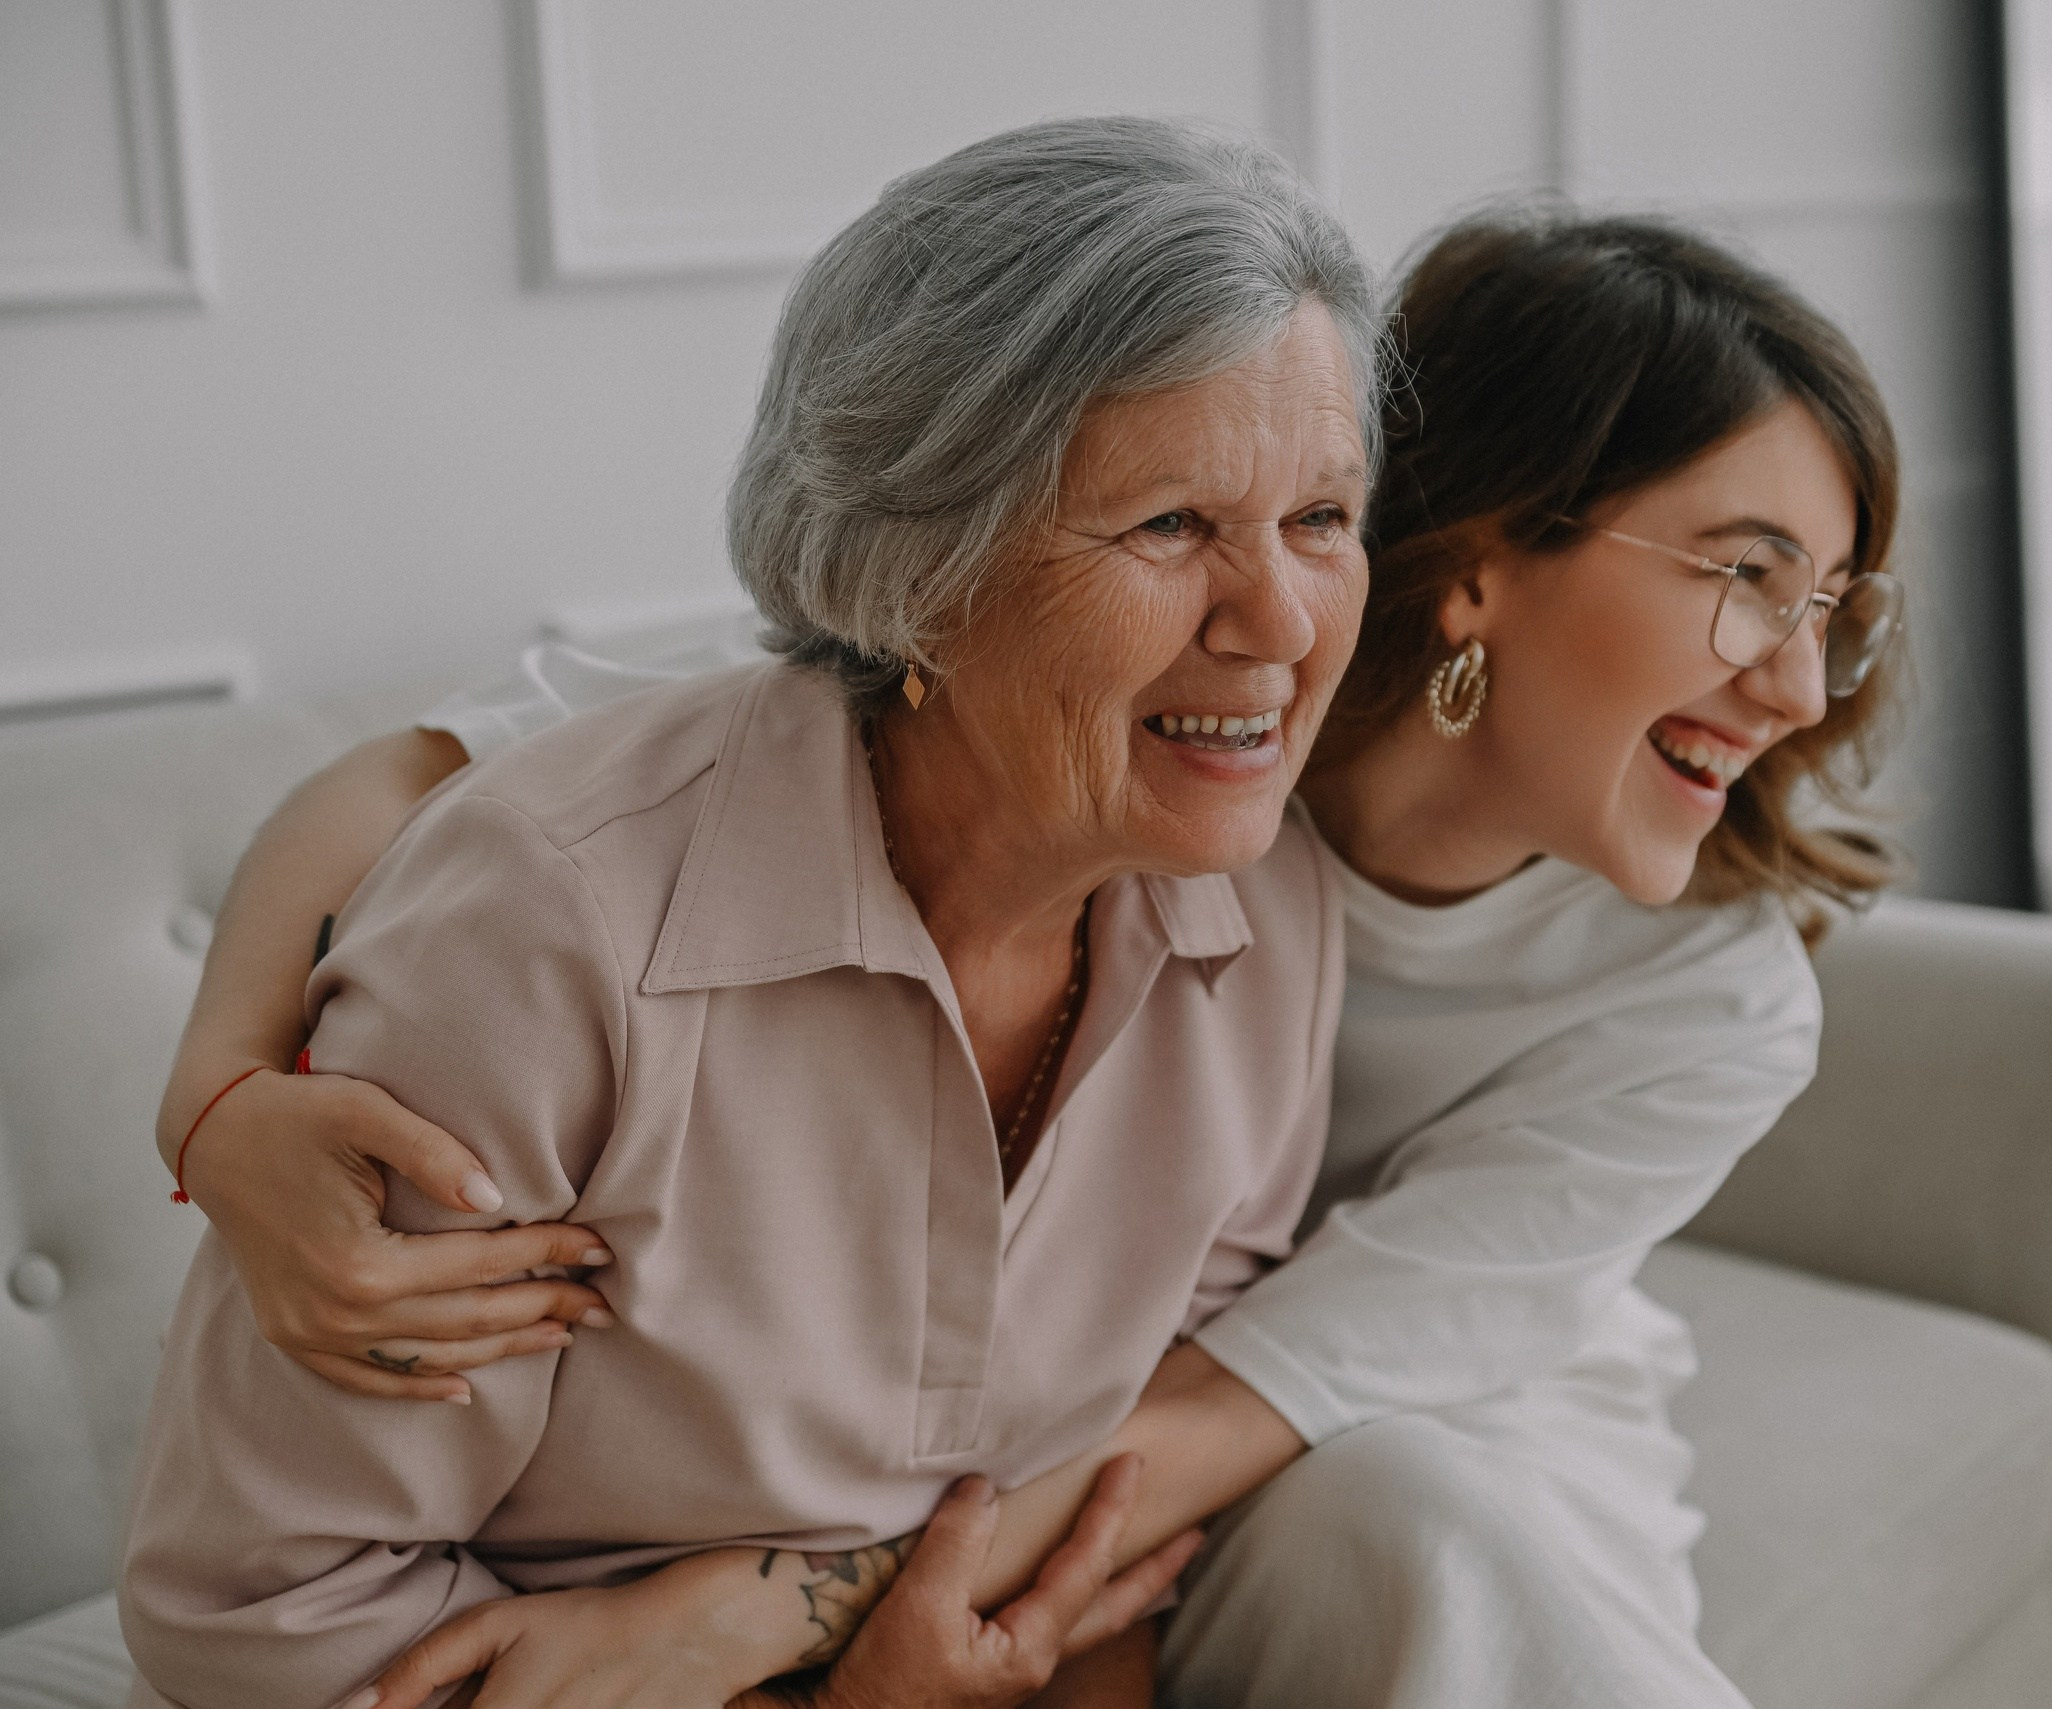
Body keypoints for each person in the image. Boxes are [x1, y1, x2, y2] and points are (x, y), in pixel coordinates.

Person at [161, 209, 1905, 1709]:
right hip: (1032, 1418)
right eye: (1750, 579)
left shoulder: (1700, 999)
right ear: (1482, 558)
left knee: (1433, 1531)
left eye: (1830, 605)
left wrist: (750, 1612)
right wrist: (224, 1095)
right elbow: (434, 774)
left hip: (1375, 1392)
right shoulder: (1118, 726)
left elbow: (1232, 1395)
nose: (1802, 687)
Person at [117, 115, 1382, 1709]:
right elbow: (264, 1610)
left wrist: (854, 1626)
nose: (1278, 619)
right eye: (1173, 525)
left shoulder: (1269, 907)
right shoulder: (550, 929)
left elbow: (1122, 1503)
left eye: (1323, 519)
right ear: (923, 565)